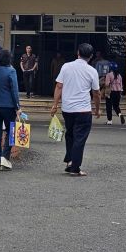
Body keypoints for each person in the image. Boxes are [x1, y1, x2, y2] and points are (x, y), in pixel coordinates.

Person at [50, 42, 100, 177]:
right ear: (90, 56)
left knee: (70, 135)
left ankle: (70, 160)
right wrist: (97, 109)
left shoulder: (66, 67)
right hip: (83, 109)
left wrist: (55, 105)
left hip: (67, 109)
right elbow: (96, 93)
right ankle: (75, 168)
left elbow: (59, 86)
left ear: (78, 53)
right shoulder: (92, 71)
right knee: (80, 139)